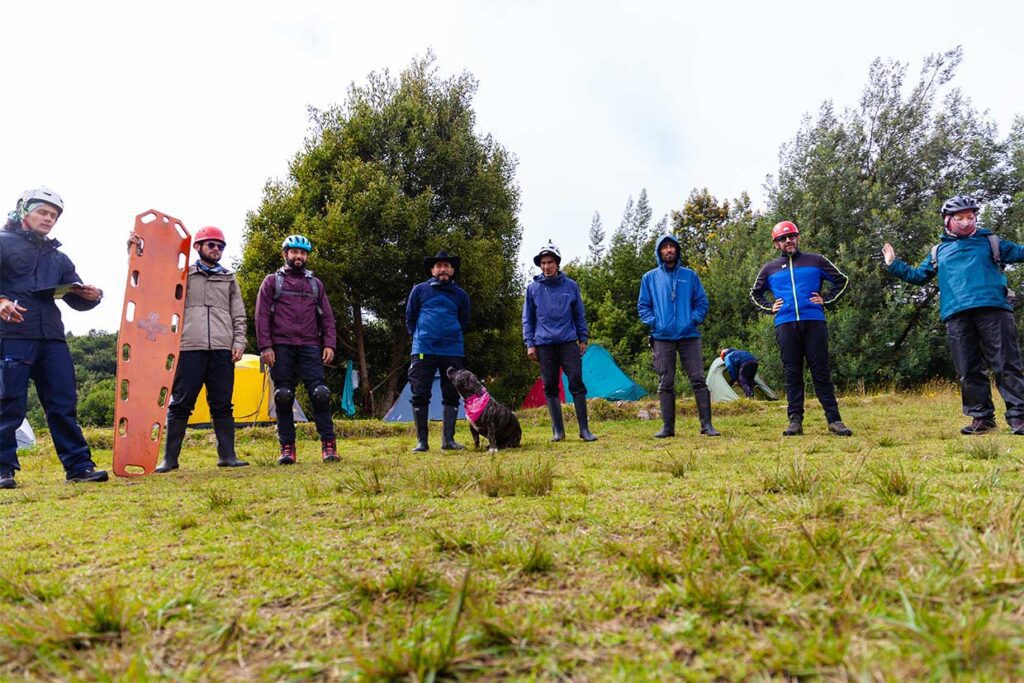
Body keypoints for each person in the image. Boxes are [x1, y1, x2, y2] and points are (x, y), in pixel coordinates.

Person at [883, 195, 1024, 435]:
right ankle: (982, 419)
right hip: (956, 314)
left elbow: (1021, 253)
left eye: (970, 217)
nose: (966, 222)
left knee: (1006, 364)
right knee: (968, 369)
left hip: (993, 308)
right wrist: (893, 264)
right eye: (960, 218)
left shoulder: (991, 242)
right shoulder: (939, 251)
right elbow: (918, 276)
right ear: (948, 221)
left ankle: (1019, 418)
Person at [0, 188, 107, 489]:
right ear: (24, 211)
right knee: (9, 404)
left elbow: (76, 299)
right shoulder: (2, 244)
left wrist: (92, 296)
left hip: (53, 340)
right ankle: (2, 470)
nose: (49, 219)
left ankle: (79, 467)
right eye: (43, 212)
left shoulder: (58, 257)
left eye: (54, 215)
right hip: (12, 335)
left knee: (63, 403)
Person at [127, 226, 249, 472]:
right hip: (188, 347)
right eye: (211, 245)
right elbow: (150, 286)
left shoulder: (229, 278)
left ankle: (228, 456)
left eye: (220, 246)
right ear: (198, 247)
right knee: (181, 403)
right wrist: (135, 253)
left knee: (223, 405)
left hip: (222, 350)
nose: (216, 250)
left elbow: (239, 315)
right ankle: (170, 459)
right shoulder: (182, 274)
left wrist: (239, 342)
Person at [750, 220, 852, 436]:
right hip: (785, 324)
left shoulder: (815, 260)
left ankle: (834, 421)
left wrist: (827, 299)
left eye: (792, 236)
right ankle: (795, 421)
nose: (789, 240)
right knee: (792, 374)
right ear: (776, 243)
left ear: (797, 238)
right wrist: (770, 307)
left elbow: (841, 280)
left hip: (814, 321)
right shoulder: (769, 268)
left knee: (821, 372)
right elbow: (754, 294)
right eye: (783, 238)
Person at [255, 235, 338, 464]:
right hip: (281, 347)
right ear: (285, 254)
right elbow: (261, 317)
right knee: (283, 396)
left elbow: (328, 318)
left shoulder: (315, 284)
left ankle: (328, 446)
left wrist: (329, 343)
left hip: (310, 346)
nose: (299, 256)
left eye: (303, 253)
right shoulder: (272, 282)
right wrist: (266, 346)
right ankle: (287, 449)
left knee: (320, 394)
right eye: (294, 252)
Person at [638, 234, 720, 438]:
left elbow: (702, 302)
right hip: (661, 336)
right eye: (664, 247)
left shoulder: (690, 276)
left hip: (689, 335)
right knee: (666, 381)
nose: (668, 250)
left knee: (698, 379)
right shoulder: (649, 278)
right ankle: (668, 428)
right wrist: (654, 322)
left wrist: (692, 319)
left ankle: (707, 426)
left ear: (677, 250)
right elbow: (643, 306)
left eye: (671, 247)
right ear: (659, 252)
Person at [523, 241, 597, 442]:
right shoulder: (532, 289)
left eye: (550, 262)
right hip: (544, 344)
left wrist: (583, 338)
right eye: (543, 263)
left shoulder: (571, 286)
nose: (546, 266)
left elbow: (579, 314)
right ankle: (558, 432)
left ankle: (584, 430)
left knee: (576, 382)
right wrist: (530, 343)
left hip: (567, 342)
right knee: (550, 386)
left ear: (557, 263)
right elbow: (528, 319)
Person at [405, 250, 470, 452]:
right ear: (432, 270)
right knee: (419, 393)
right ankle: (422, 442)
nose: (443, 269)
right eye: (439, 266)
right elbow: (410, 317)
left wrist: (449, 335)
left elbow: (464, 320)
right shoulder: (419, 290)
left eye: (447, 266)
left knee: (451, 392)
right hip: (424, 348)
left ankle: (448, 441)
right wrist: (420, 337)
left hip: (452, 349)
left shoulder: (461, 295)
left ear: (452, 270)